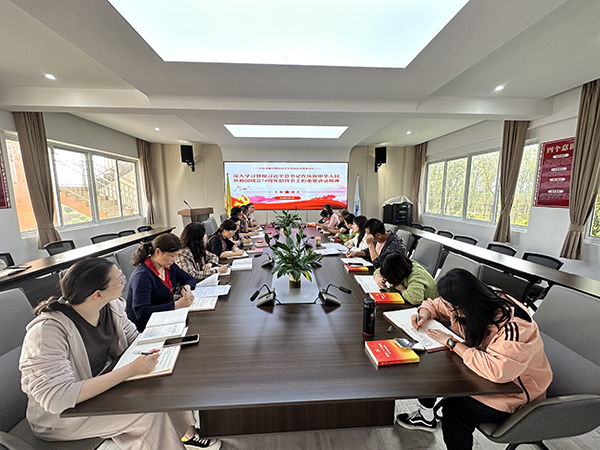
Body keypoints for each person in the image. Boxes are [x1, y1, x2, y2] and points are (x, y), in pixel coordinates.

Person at [19, 258, 220, 450]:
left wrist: (166, 342)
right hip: (63, 415)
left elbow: (133, 340)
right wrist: (130, 370)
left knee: (165, 385)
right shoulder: (47, 331)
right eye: (119, 279)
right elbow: (56, 398)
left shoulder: (111, 305)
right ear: (98, 294)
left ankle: (186, 434)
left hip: (105, 385)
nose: (125, 280)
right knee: (144, 413)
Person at [396, 269, 552, 450]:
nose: (450, 311)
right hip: (481, 373)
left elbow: (498, 372)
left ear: (465, 307)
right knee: (433, 369)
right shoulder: (469, 297)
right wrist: (424, 312)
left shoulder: (515, 327)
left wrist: (452, 343)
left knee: (455, 411)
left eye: (453, 309)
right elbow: (437, 304)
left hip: (515, 393)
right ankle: (425, 417)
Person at [126, 233, 196, 331]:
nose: (174, 260)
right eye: (172, 256)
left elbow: (190, 279)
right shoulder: (142, 276)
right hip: (146, 328)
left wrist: (186, 288)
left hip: (164, 318)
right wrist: (177, 304)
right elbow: (142, 313)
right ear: (158, 252)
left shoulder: (169, 267)